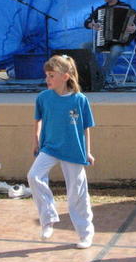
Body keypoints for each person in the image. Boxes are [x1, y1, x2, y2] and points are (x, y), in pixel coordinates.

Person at [27, 55, 95, 249]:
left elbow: (86, 127)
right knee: (34, 176)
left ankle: (85, 233)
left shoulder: (79, 100)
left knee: (77, 192)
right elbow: (37, 120)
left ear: (65, 76)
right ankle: (48, 218)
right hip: (49, 147)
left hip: (73, 150)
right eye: (46, 75)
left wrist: (87, 152)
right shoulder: (43, 98)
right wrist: (36, 140)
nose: (47, 79)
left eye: (51, 75)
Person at [83, 0, 136, 83]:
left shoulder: (126, 8)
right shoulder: (100, 9)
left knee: (115, 51)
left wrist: (134, 28)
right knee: (85, 46)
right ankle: (94, 72)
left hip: (119, 43)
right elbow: (87, 21)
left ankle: (102, 77)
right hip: (103, 42)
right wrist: (91, 24)